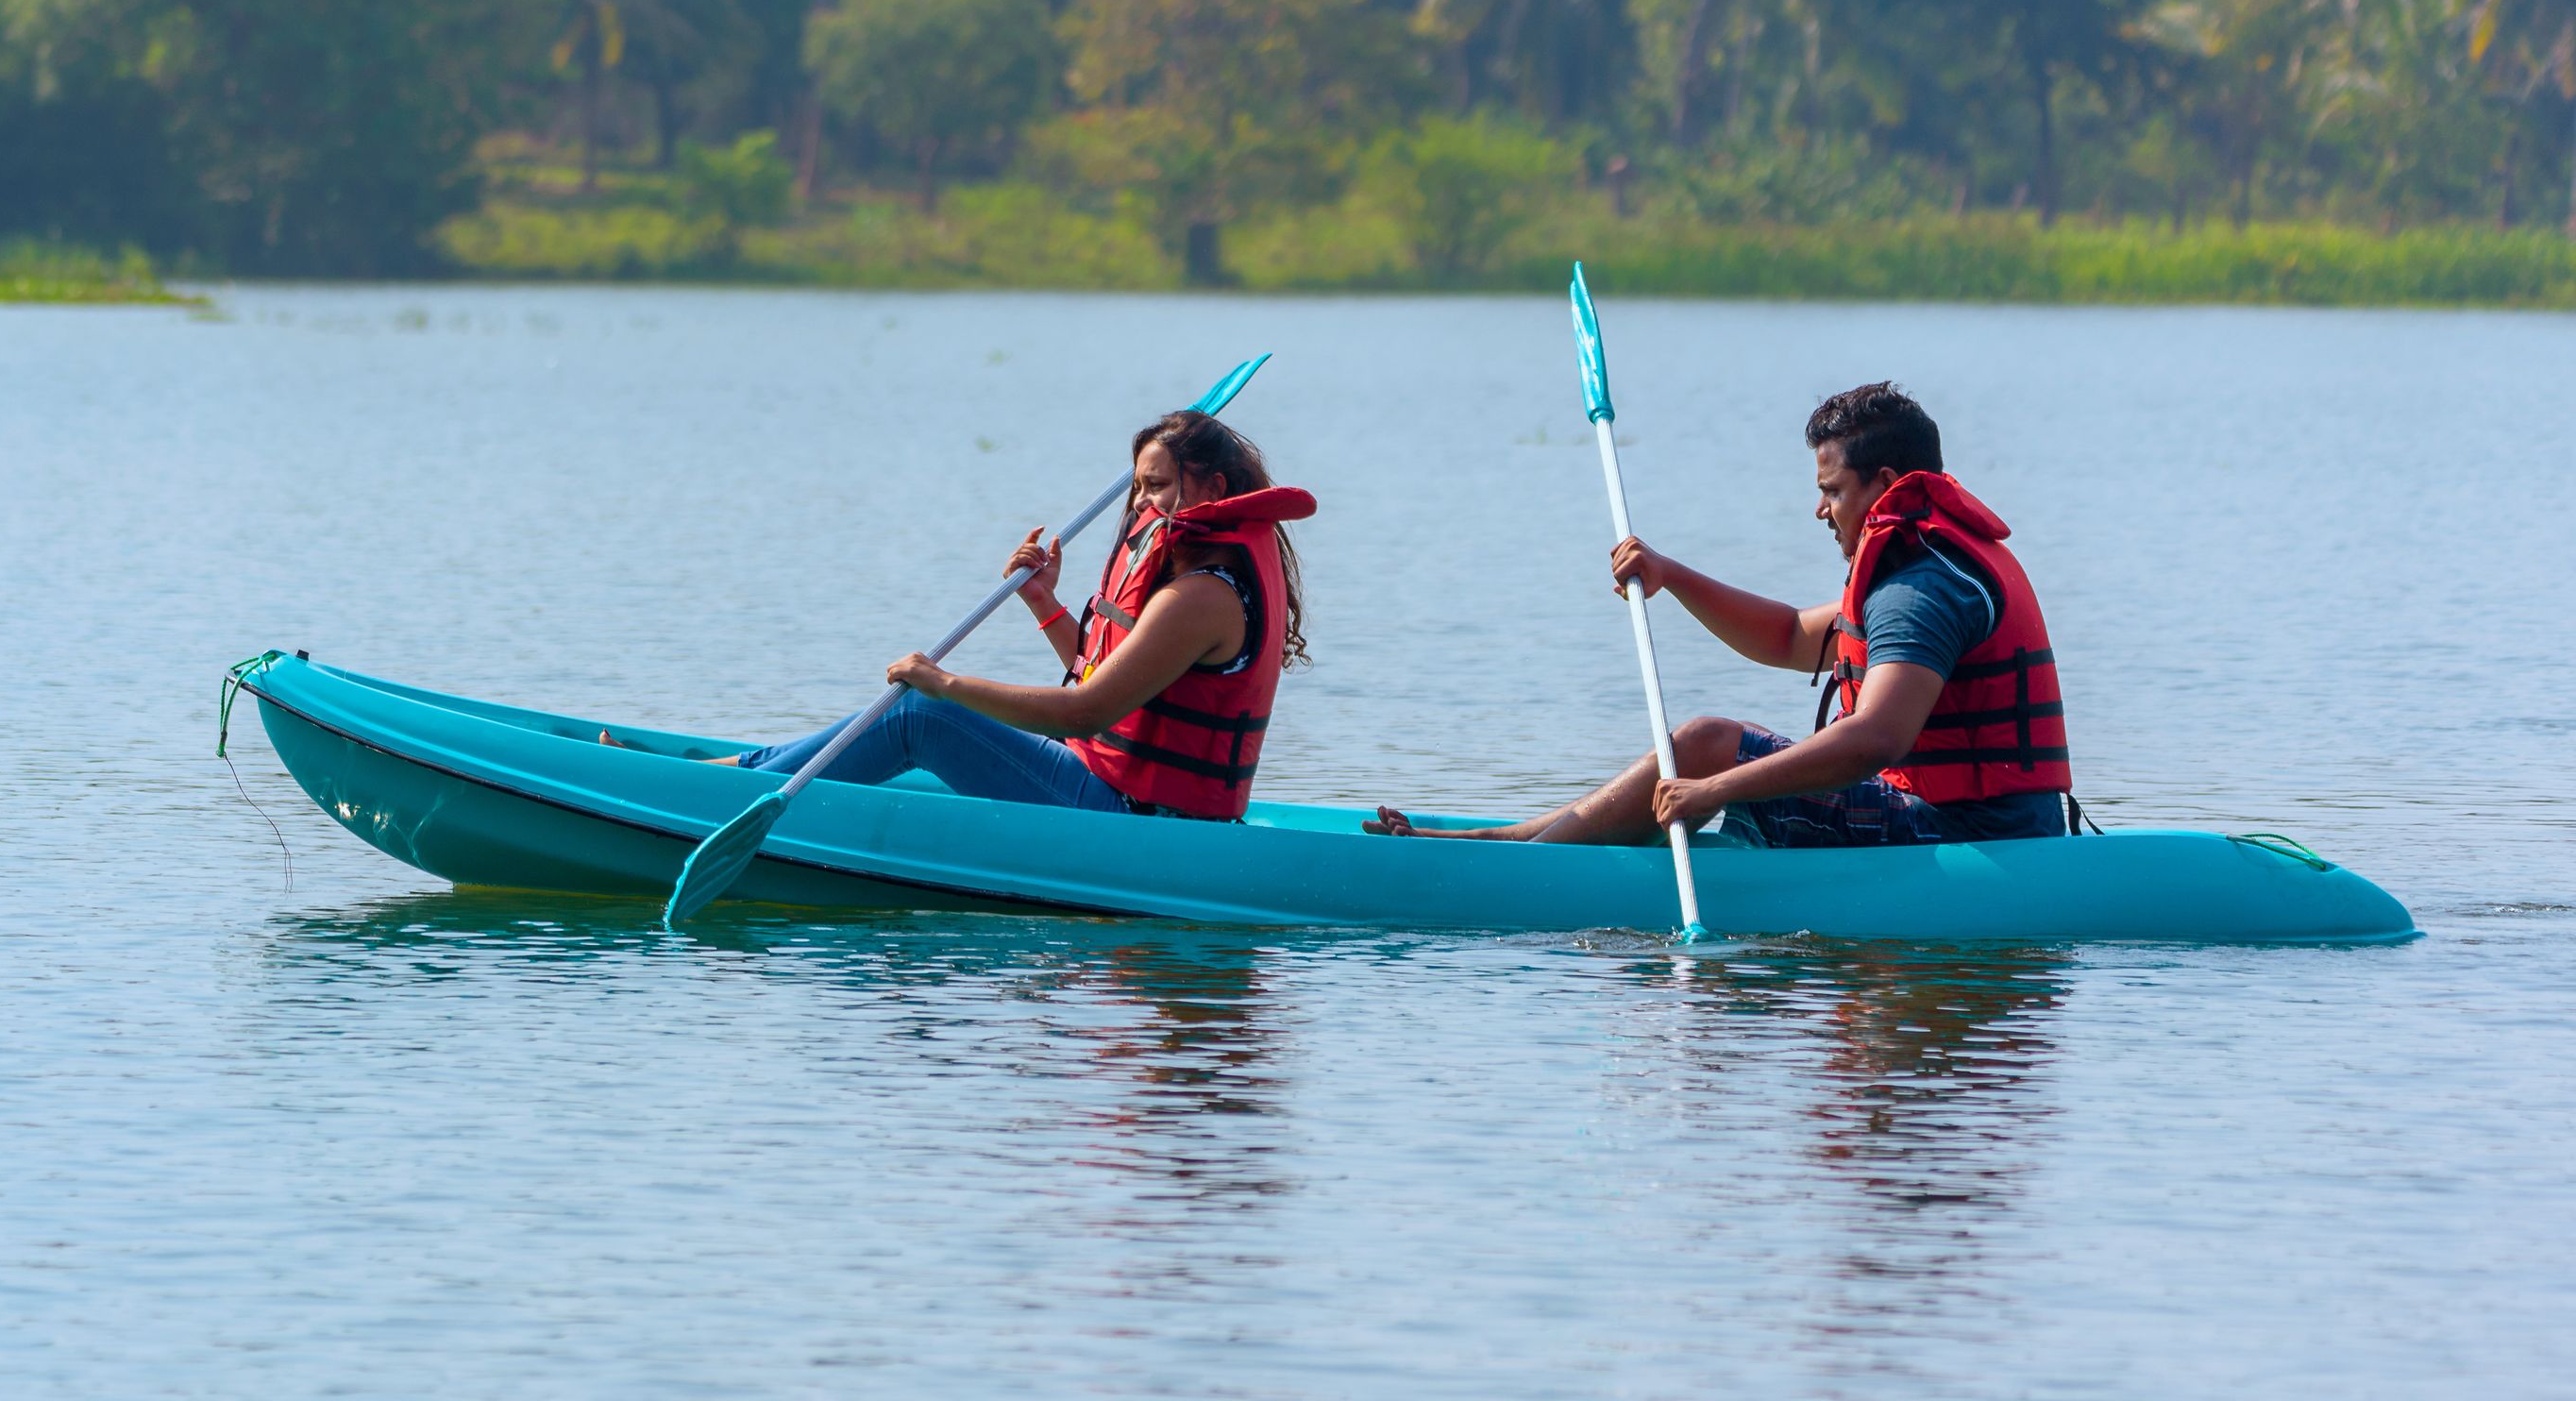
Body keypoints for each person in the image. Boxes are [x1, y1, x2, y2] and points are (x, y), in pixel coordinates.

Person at [1379, 380, 2071, 847]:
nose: (1820, 510)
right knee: (1710, 747)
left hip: (1966, 836)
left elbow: (1875, 741)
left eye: (1831, 490)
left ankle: (1515, 858)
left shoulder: (1918, 590)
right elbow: (1785, 635)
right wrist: (1670, 575)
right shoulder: (1931, 566)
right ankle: (1517, 839)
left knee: (1710, 739)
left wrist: (1715, 785)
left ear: (1885, 485)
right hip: (1990, 822)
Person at [722, 409, 1316, 820]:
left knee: (921, 716)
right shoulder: (1203, 576)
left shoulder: (1203, 595)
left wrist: (945, 684)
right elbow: (1109, 680)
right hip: (1111, 787)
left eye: (1155, 486)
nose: (1139, 504)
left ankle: (723, 792)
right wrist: (1046, 605)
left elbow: (1087, 712)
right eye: (1137, 487)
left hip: (1138, 818)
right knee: (910, 749)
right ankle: (734, 772)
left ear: (1213, 487)